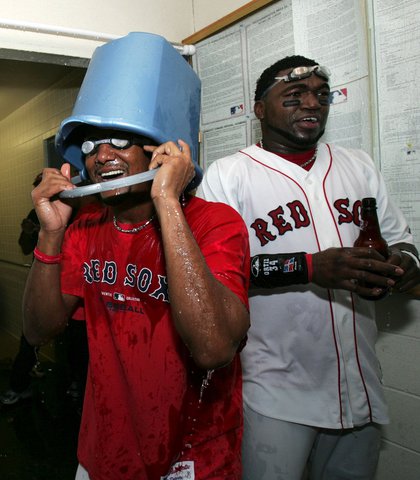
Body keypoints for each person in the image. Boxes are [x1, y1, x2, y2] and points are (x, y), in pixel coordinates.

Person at [23, 32, 250, 480]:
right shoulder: (85, 230)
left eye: (119, 140)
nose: (100, 156)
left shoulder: (215, 224)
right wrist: (51, 235)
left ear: (160, 150)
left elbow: (213, 347)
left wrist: (167, 198)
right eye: (90, 145)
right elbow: (37, 330)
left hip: (192, 459)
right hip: (102, 452)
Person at [197, 55, 420, 480]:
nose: (311, 105)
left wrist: (404, 264)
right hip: (275, 391)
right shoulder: (229, 176)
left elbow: (401, 239)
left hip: (360, 384)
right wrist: (308, 267)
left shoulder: (358, 165)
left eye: (320, 96)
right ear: (261, 109)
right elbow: (213, 276)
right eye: (294, 96)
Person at [0, 174, 44, 406]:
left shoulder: (76, 209)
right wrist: (30, 232)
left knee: (78, 338)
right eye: (38, 187)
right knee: (30, 333)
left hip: (74, 282)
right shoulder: (34, 213)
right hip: (44, 282)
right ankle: (19, 384)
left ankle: (77, 384)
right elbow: (25, 248)